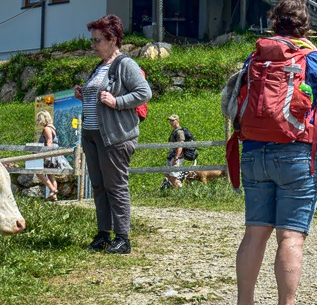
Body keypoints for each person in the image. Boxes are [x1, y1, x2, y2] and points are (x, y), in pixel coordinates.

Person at [227, 0, 317, 305]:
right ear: (306, 26)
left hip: (252, 151)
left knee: (255, 231)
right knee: (290, 236)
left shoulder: (256, 57)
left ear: (273, 24)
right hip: (295, 153)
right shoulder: (315, 59)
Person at [75, 13, 153, 254]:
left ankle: (123, 238)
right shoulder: (100, 66)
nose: (93, 45)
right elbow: (98, 95)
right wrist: (84, 94)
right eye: (93, 40)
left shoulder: (125, 64)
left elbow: (144, 93)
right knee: (99, 186)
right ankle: (103, 234)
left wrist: (117, 101)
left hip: (115, 137)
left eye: (97, 40)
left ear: (112, 40)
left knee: (115, 186)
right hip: (92, 134)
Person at [162, 113, 197, 190]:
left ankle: (179, 190)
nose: (171, 122)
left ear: (177, 121)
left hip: (177, 156)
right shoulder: (174, 131)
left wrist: (176, 158)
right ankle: (177, 187)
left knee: (173, 175)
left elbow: (180, 145)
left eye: (172, 120)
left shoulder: (179, 132)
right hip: (172, 155)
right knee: (166, 173)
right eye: (170, 121)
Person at [34, 109, 61, 200]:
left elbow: (49, 141)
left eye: (39, 120)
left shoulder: (46, 128)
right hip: (54, 153)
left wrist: (46, 155)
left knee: (38, 173)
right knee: (51, 175)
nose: (39, 122)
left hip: (49, 153)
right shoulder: (53, 127)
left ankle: (53, 190)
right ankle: (54, 197)